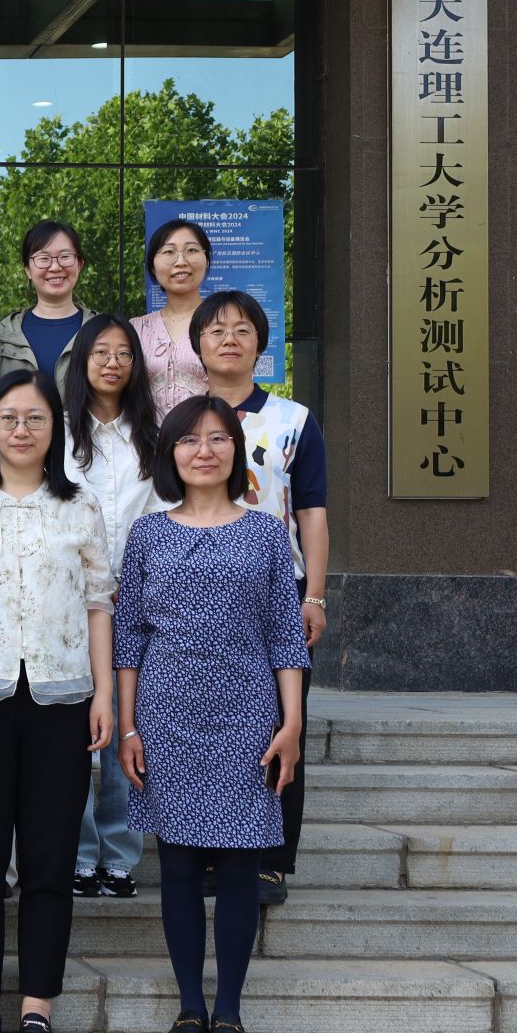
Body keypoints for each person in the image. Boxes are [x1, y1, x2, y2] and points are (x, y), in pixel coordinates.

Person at [116, 395, 309, 1033]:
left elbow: (285, 633)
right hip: (166, 712)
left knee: (237, 864)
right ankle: (189, 1006)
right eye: (190, 439)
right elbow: (129, 636)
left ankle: (228, 1011)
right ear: (169, 453)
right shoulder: (148, 533)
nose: (205, 450)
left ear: (236, 450)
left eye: (218, 438)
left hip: (247, 712)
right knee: (175, 863)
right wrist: (128, 726)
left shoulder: (265, 533)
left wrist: (292, 722)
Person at [0, 370, 114, 1033]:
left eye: (35, 418)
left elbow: (99, 603)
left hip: (62, 701)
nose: (21, 429)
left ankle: (39, 1002)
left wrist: (104, 695)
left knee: (50, 859)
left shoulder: (80, 506)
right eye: (9, 417)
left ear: (55, 429)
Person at [193, 289, 329, 905]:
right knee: (204, 723)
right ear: (198, 345)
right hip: (194, 590)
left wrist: (315, 596)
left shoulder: (293, 420)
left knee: (278, 721)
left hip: (276, 591)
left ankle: (270, 860)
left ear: (260, 346)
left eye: (242, 330)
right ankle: (207, 849)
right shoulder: (177, 420)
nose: (229, 339)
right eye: (216, 330)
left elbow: (312, 513)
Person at [62, 316, 166, 900]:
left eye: (124, 353)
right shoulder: (59, 430)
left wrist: (137, 581)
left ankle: (120, 853)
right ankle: (79, 853)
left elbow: (164, 510)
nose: (112, 363)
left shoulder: (154, 433)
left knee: (130, 720)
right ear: (82, 362)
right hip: (69, 601)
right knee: (77, 726)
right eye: (100, 352)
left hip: (137, 597)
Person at [0, 220, 100, 386]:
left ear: (79, 264)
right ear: (27, 269)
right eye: (43, 258)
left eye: (65, 257)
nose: (55, 267)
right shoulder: (2, 335)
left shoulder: (102, 330)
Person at [130, 219, 213, 418]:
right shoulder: (136, 328)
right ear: (152, 266)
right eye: (169, 252)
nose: (181, 261)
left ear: (206, 260)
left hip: (209, 434)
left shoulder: (223, 323)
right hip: (145, 436)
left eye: (191, 250)